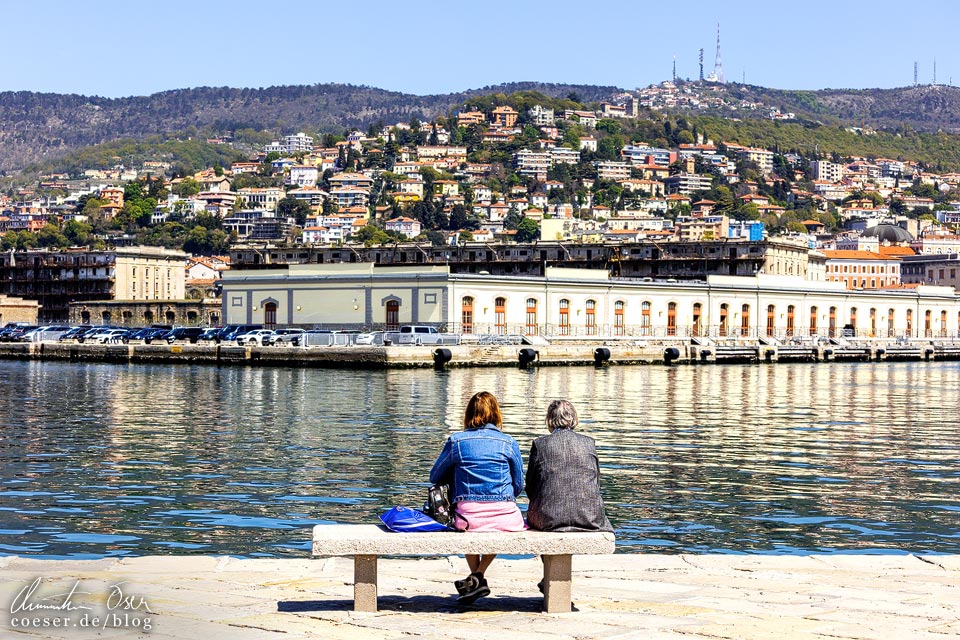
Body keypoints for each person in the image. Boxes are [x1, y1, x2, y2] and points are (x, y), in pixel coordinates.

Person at [430, 391, 525, 604]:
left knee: (467, 525)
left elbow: (434, 476)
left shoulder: (456, 441)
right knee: (497, 527)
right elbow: (519, 484)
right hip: (505, 516)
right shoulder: (508, 442)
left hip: (468, 517)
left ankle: (477, 577)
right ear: (496, 414)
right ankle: (479, 576)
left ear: (468, 414)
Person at [525, 399, 613, 534]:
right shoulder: (589, 443)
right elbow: (596, 483)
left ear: (549, 420)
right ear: (573, 419)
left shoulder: (540, 444)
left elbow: (530, 486)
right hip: (590, 518)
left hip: (548, 519)